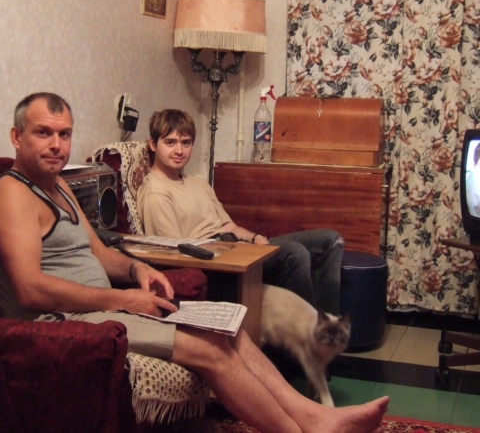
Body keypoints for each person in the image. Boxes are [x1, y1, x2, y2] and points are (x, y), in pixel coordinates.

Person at [0, 92, 389, 433]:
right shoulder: (9, 194)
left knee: (230, 327)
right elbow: (29, 288)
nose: (56, 145)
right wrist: (122, 300)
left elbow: (100, 253)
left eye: (64, 134)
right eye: (43, 133)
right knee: (210, 348)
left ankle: (315, 417)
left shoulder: (59, 187)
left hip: (100, 309)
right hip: (62, 324)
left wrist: (138, 270)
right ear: (16, 137)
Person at [136, 109, 346, 315]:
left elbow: (229, 226)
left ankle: (329, 325)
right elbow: (176, 252)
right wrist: (228, 250)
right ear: (153, 144)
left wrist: (254, 238)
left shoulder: (197, 183)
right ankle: (311, 333)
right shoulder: (156, 191)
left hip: (234, 247)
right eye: (170, 142)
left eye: (186, 143)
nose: (179, 151)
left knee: (330, 240)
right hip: (216, 264)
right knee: (294, 252)